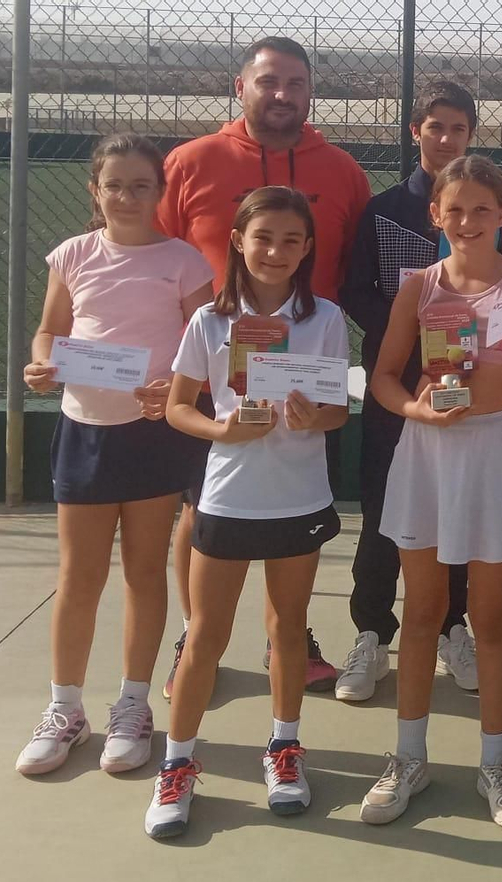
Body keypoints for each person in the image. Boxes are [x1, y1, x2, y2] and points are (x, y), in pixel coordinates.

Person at [157, 35, 371, 693]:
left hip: (307, 367)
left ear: (310, 93)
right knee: (200, 507)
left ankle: (293, 636)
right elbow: (161, 264)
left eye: (296, 84)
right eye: (269, 81)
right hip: (215, 373)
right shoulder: (191, 162)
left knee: (297, 509)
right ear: (240, 86)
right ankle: (199, 632)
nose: (282, 95)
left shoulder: (342, 170)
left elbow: (349, 272)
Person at [144, 187, 351, 839]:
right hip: (228, 497)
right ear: (238, 240)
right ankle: (177, 765)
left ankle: (284, 750)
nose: (276, 251)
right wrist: (221, 431)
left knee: (289, 629)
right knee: (205, 634)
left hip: (300, 498)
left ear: (308, 249)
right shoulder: (209, 321)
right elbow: (179, 406)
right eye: (263, 237)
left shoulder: (326, 320)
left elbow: (340, 410)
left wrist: (314, 416)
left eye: (292, 240)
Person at [362, 155, 502, 830]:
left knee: (492, 618)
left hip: (497, 452)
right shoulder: (418, 288)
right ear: (434, 216)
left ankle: (496, 762)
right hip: (427, 456)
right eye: (456, 209)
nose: (469, 221)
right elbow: (385, 378)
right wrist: (415, 412)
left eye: (483, 209)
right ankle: (409, 757)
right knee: (421, 613)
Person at [16, 134, 215, 777]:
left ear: (161, 191)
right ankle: (65, 708)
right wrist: (45, 362)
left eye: (140, 186)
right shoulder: (73, 254)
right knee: (78, 579)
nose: (127, 197)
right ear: (93, 192)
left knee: (142, 574)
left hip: (155, 434)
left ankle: (133, 706)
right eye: (114, 186)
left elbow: (203, 346)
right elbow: (52, 329)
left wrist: (176, 389)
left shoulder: (184, 261)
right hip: (85, 430)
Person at [334, 81, 502, 701]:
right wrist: (417, 339)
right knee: (387, 510)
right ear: (416, 131)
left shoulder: (489, 220)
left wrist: (470, 356)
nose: (446, 138)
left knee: (461, 521)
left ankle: (452, 628)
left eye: (458, 129)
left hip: (475, 403)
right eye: (435, 126)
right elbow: (356, 289)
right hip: (405, 393)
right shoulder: (385, 210)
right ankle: (371, 632)